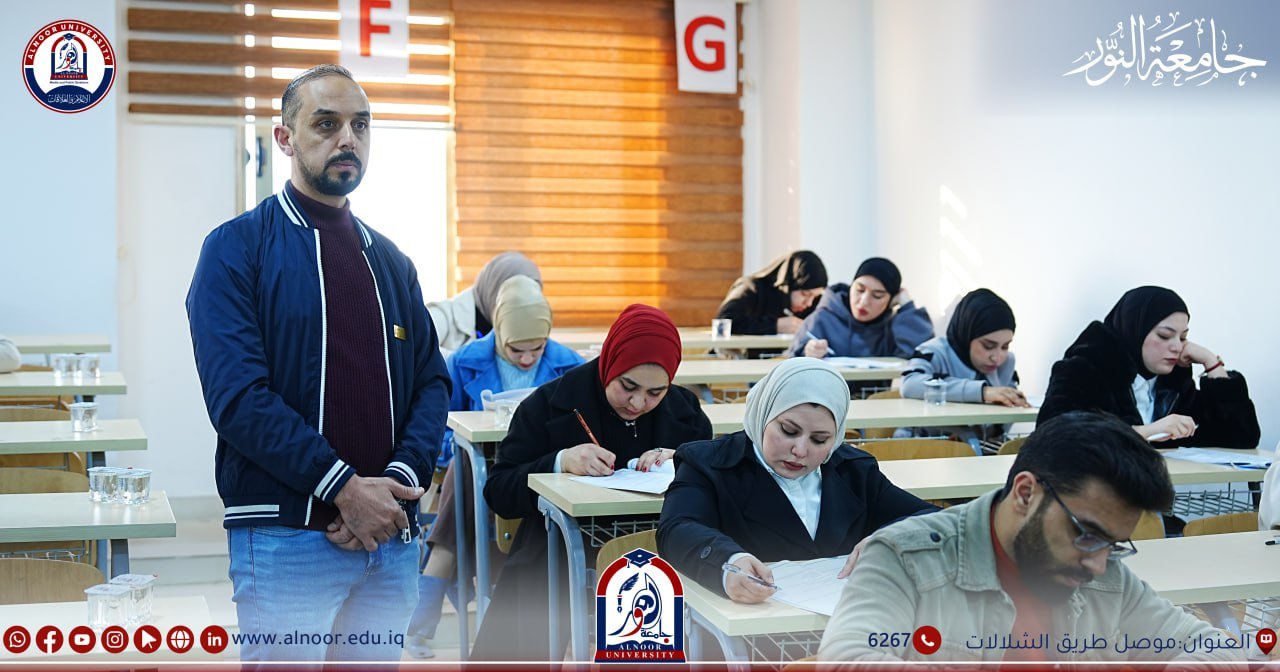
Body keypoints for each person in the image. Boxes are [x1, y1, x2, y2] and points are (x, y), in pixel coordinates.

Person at [186, 64, 451, 664]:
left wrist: (396, 485)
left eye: (360, 125)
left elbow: (432, 382)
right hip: (287, 537)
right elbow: (238, 398)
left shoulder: (392, 262)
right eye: (326, 124)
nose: (347, 139)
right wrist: (344, 489)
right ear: (285, 138)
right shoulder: (236, 249)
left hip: (390, 538)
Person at [818, 411, 1242, 664]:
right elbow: (846, 658)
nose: (1098, 564)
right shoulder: (905, 558)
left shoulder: (1104, 573)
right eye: (1086, 534)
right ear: (1025, 493)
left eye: (1113, 544)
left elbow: (1213, 646)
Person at [472, 304, 713, 660]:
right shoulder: (550, 403)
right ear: (610, 363)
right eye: (628, 386)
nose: (638, 403)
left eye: (655, 393)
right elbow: (499, 491)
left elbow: (714, 490)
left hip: (655, 548)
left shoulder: (685, 411)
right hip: (558, 549)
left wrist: (683, 460)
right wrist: (559, 461)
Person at [657, 357, 936, 603]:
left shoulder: (854, 470)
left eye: (820, 440)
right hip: (753, 625)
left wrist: (890, 538)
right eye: (788, 431)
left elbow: (932, 518)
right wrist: (728, 562)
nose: (800, 451)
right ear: (764, 414)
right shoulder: (708, 463)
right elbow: (677, 529)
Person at [405, 275, 583, 658]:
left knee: (472, 480)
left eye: (537, 348)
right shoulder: (462, 361)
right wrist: (469, 442)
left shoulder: (572, 366)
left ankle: (430, 592)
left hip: (545, 476)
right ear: (499, 330)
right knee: (469, 467)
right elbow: (439, 428)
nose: (527, 358)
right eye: (516, 349)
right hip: (478, 475)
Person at [1040, 286, 1259, 448]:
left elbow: (1241, 436)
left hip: (1155, 494)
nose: (1177, 347)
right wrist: (1145, 432)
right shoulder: (1084, 369)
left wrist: (1212, 363)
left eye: (1183, 337)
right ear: (1135, 330)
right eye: (1164, 335)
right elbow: (1054, 437)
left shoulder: (1174, 380)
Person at [898, 288, 1028, 447]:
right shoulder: (933, 352)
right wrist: (983, 392)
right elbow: (909, 384)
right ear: (967, 335)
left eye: (1005, 346)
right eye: (988, 346)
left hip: (984, 448)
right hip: (920, 447)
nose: (997, 357)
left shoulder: (1006, 362)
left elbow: (1002, 424)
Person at [789, 257, 933, 361]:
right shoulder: (822, 318)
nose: (864, 301)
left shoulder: (894, 328)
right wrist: (808, 353)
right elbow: (791, 364)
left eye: (877, 296)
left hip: (878, 396)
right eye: (859, 290)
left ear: (891, 300)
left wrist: (907, 307)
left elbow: (921, 358)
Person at [427, 251, 541, 357]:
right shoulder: (442, 315)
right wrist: (462, 363)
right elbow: (420, 349)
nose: (521, 308)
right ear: (495, 289)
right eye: (516, 298)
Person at [714, 251, 828, 335]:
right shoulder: (751, 288)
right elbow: (723, 322)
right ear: (788, 285)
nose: (809, 303)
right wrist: (775, 325)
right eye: (805, 294)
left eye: (814, 297)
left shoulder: (811, 304)